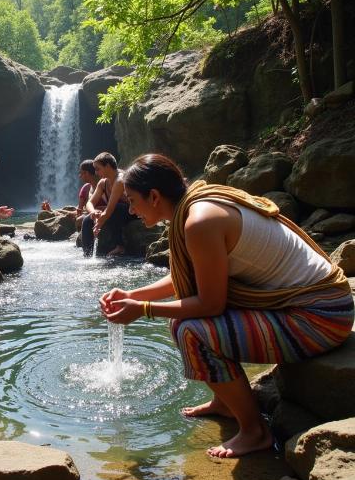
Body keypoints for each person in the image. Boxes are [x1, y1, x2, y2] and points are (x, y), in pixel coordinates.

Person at [99, 153, 354, 458]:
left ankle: (255, 431)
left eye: (132, 200)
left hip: (321, 316)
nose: (130, 209)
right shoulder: (196, 207)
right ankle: (226, 402)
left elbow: (210, 303)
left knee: (189, 329)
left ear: (154, 196)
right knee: (186, 322)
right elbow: (191, 279)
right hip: (315, 303)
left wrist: (143, 311)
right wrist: (134, 294)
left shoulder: (199, 223)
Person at [82, 152, 134, 257]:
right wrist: (93, 212)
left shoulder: (120, 179)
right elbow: (90, 202)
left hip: (133, 211)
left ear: (108, 166)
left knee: (116, 209)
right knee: (87, 220)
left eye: (97, 169)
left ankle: (120, 246)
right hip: (114, 211)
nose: (96, 172)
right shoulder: (103, 182)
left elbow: (110, 209)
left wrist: (99, 223)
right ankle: (87, 254)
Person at [75, 160, 106, 230]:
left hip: (105, 214)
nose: (80, 176)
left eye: (81, 173)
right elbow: (79, 211)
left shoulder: (105, 184)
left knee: (80, 220)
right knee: (79, 219)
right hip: (92, 215)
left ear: (87, 173)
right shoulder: (85, 188)